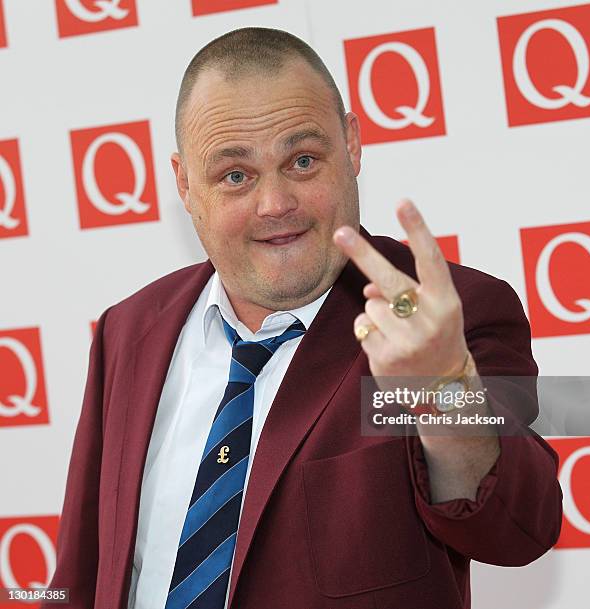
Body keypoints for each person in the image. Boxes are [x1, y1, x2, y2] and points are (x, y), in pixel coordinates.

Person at [42, 27, 562, 609]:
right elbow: (79, 569)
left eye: (303, 160)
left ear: (353, 145)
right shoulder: (129, 331)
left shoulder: (444, 316)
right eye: (235, 175)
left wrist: (442, 389)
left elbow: (518, 529)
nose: (275, 204)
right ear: (185, 184)